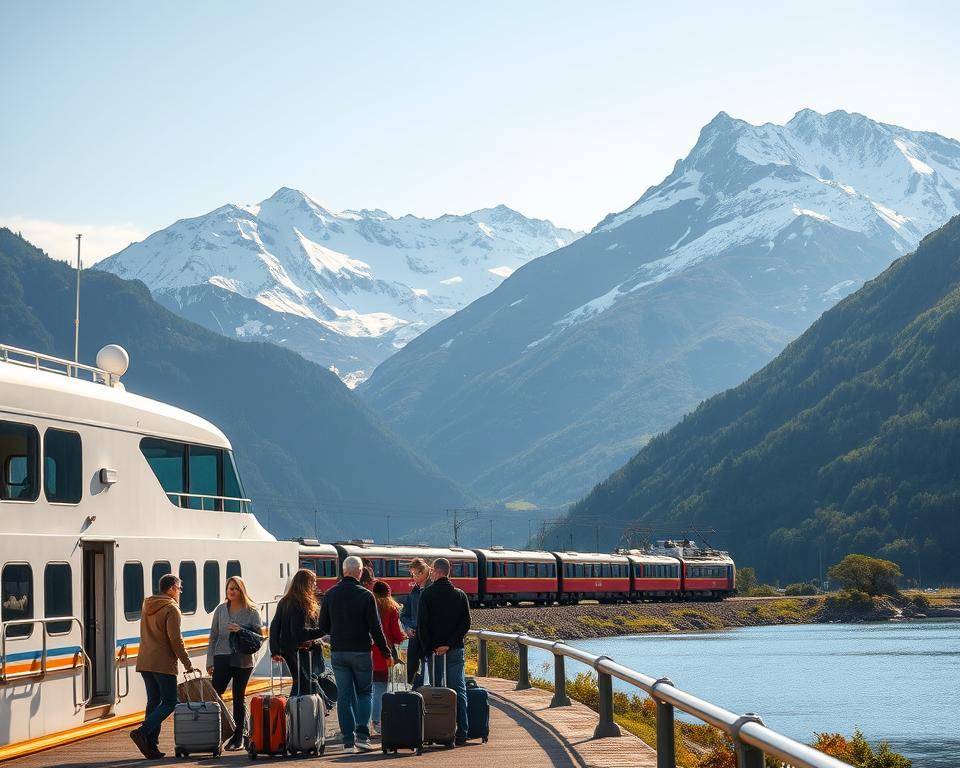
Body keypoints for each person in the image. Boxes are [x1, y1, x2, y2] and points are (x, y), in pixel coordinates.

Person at [318, 556, 391, 753]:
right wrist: (386, 652)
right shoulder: (366, 596)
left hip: (339, 651)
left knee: (344, 696)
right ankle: (362, 737)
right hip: (360, 652)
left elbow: (323, 625)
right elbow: (376, 629)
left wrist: (337, 630)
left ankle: (348, 742)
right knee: (365, 693)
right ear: (359, 572)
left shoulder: (330, 595)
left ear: (343, 571)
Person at [129, 574, 196, 759]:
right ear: (172, 588)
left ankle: (151, 746)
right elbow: (175, 639)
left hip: (144, 661)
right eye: (180, 589)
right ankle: (142, 732)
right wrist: (187, 663)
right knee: (169, 702)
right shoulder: (171, 609)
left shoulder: (147, 605)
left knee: (153, 701)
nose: (180, 592)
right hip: (162, 662)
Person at [417, 557, 471, 745]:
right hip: (455, 650)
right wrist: (449, 644)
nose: (430, 573)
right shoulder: (460, 595)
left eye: (432, 570)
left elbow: (422, 625)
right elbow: (466, 623)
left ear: (438, 572)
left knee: (436, 690)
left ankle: (437, 731)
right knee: (459, 689)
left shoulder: (427, 595)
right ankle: (462, 731)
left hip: (434, 653)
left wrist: (430, 648)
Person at [207, 576, 262, 750]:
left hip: (243, 659)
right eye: (229, 588)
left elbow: (259, 636)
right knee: (215, 693)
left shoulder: (252, 611)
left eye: (235, 588)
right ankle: (224, 730)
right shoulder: (221, 610)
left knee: (239, 698)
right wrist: (209, 660)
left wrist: (241, 630)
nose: (231, 591)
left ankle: (238, 737)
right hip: (222, 655)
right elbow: (213, 636)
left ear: (241, 591)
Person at [269, 569, 326, 697]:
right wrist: (322, 631)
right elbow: (299, 633)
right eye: (313, 582)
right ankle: (297, 712)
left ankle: (295, 711)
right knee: (302, 683)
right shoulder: (301, 603)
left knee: (299, 681)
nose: (315, 586)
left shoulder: (285, 601)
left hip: (286, 648)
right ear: (306, 583)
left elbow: (275, 626)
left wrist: (275, 650)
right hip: (299, 650)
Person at [370, 581, 406, 736]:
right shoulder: (391, 608)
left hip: (365, 653)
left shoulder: (367, 605)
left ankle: (363, 724)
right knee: (380, 689)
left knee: (365, 691)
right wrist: (404, 636)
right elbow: (396, 634)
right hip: (382, 655)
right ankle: (377, 722)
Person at [399, 557, 431, 687]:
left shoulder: (432, 588)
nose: (413, 578)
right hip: (414, 635)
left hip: (428, 636)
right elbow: (403, 614)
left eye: (415, 574)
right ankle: (413, 692)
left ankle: (426, 691)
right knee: (411, 666)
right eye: (412, 574)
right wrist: (407, 627)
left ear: (423, 572)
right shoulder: (414, 591)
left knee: (428, 666)